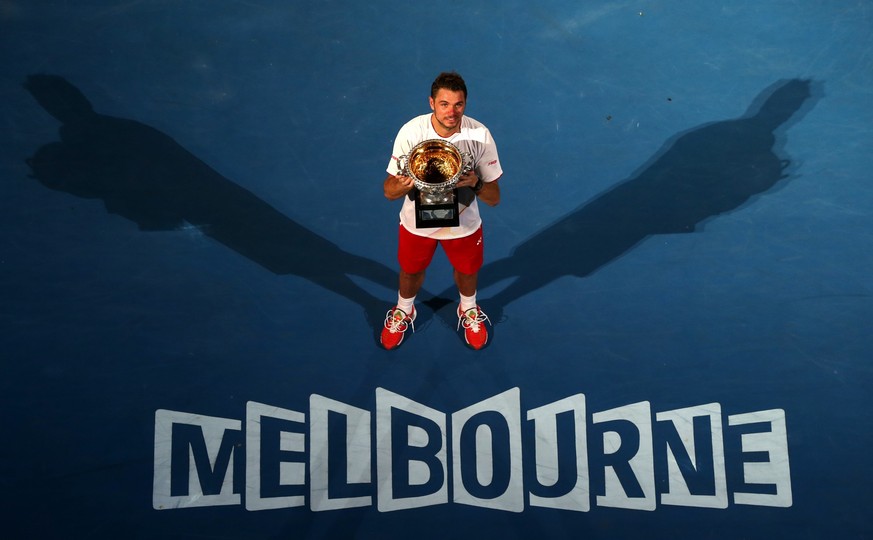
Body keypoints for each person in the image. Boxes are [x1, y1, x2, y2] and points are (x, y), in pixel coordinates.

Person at [380, 72, 503, 350]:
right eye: (445, 104)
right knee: (411, 271)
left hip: (464, 222)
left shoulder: (479, 135)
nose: (452, 112)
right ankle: (404, 309)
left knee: (467, 270)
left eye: (458, 104)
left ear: (466, 104)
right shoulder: (411, 132)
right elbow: (389, 191)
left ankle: (468, 309)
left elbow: (494, 198)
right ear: (431, 103)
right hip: (416, 221)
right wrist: (404, 183)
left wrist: (476, 182)